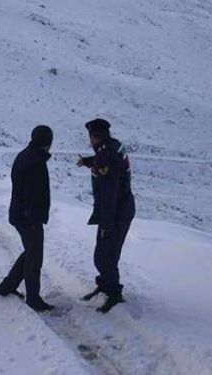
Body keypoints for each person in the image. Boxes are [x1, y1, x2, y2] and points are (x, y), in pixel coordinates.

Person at [77, 118, 135, 313]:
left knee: (105, 256)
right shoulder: (112, 146)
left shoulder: (105, 156)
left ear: (94, 137)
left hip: (115, 212)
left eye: (90, 137)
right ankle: (104, 285)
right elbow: (108, 163)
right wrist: (88, 162)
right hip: (120, 208)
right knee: (104, 253)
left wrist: (106, 224)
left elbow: (109, 192)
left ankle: (114, 293)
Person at [0, 125, 55, 312]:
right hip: (28, 218)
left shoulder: (27, 155)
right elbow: (32, 194)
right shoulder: (35, 161)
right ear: (47, 142)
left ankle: (7, 286)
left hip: (21, 215)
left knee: (31, 252)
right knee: (34, 258)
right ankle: (33, 299)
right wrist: (32, 218)